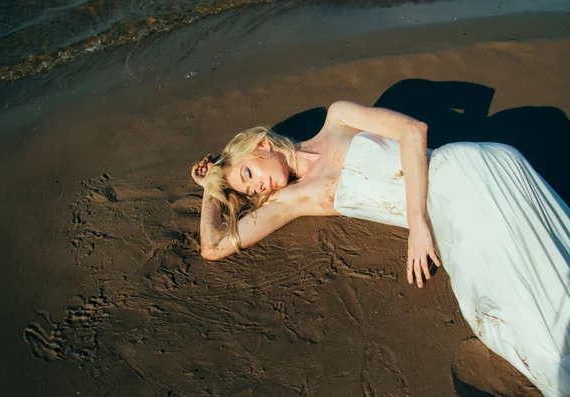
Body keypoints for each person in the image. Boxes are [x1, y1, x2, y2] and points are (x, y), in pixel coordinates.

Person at [191, 100, 570, 396]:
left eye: (248, 174)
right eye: (247, 191)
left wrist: (417, 221)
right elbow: (215, 245)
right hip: (456, 209)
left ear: (262, 145)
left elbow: (412, 130)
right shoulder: (291, 200)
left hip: (471, 167)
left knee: (528, 298)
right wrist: (212, 186)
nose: (256, 189)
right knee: (512, 312)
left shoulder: (338, 118)